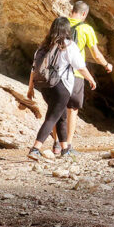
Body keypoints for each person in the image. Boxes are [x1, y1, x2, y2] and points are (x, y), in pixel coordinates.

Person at [26, 17, 97, 162]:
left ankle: (65, 149)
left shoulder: (43, 46)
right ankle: (35, 149)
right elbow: (80, 67)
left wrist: (31, 88)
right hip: (61, 86)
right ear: (66, 29)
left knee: (61, 116)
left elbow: (34, 69)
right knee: (52, 117)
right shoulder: (68, 45)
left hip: (45, 86)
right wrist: (91, 79)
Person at [58, 0, 112, 156]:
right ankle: (67, 146)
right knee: (72, 110)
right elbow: (95, 54)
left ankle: (56, 145)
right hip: (75, 73)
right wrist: (107, 65)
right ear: (84, 14)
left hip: (57, 73)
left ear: (72, 10)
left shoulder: (60, 24)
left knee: (57, 109)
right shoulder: (86, 29)